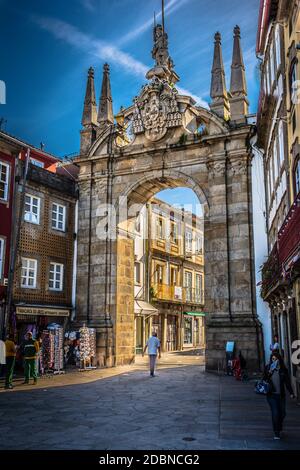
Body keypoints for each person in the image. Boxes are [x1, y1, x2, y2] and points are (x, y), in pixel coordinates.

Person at [263, 351, 295, 439]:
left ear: (279, 360)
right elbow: (264, 380)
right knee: (275, 413)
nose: (274, 361)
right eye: (273, 359)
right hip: (271, 395)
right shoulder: (268, 368)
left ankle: (279, 426)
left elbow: (287, 382)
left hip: (281, 395)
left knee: (283, 413)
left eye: (276, 359)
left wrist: (291, 393)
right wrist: (269, 372)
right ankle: (276, 432)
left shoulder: (283, 370)